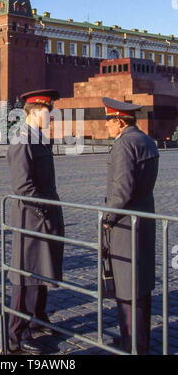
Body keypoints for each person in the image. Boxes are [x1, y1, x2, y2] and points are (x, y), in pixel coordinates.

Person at [7, 89, 64, 354]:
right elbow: (23, 186)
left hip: (44, 215)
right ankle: (17, 335)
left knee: (42, 270)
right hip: (31, 217)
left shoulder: (38, 138)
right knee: (26, 273)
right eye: (47, 112)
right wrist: (43, 211)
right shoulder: (22, 140)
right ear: (34, 111)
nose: (51, 116)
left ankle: (38, 318)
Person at [102, 97, 159, 355]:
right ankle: (137, 340)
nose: (106, 127)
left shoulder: (124, 144)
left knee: (127, 284)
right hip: (145, 219)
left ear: (118, 120)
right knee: (141, 283)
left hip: (124, 224)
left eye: (108, 121)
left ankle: (132, 344)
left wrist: (107, 219)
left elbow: (121, 190)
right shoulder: (147, 140)